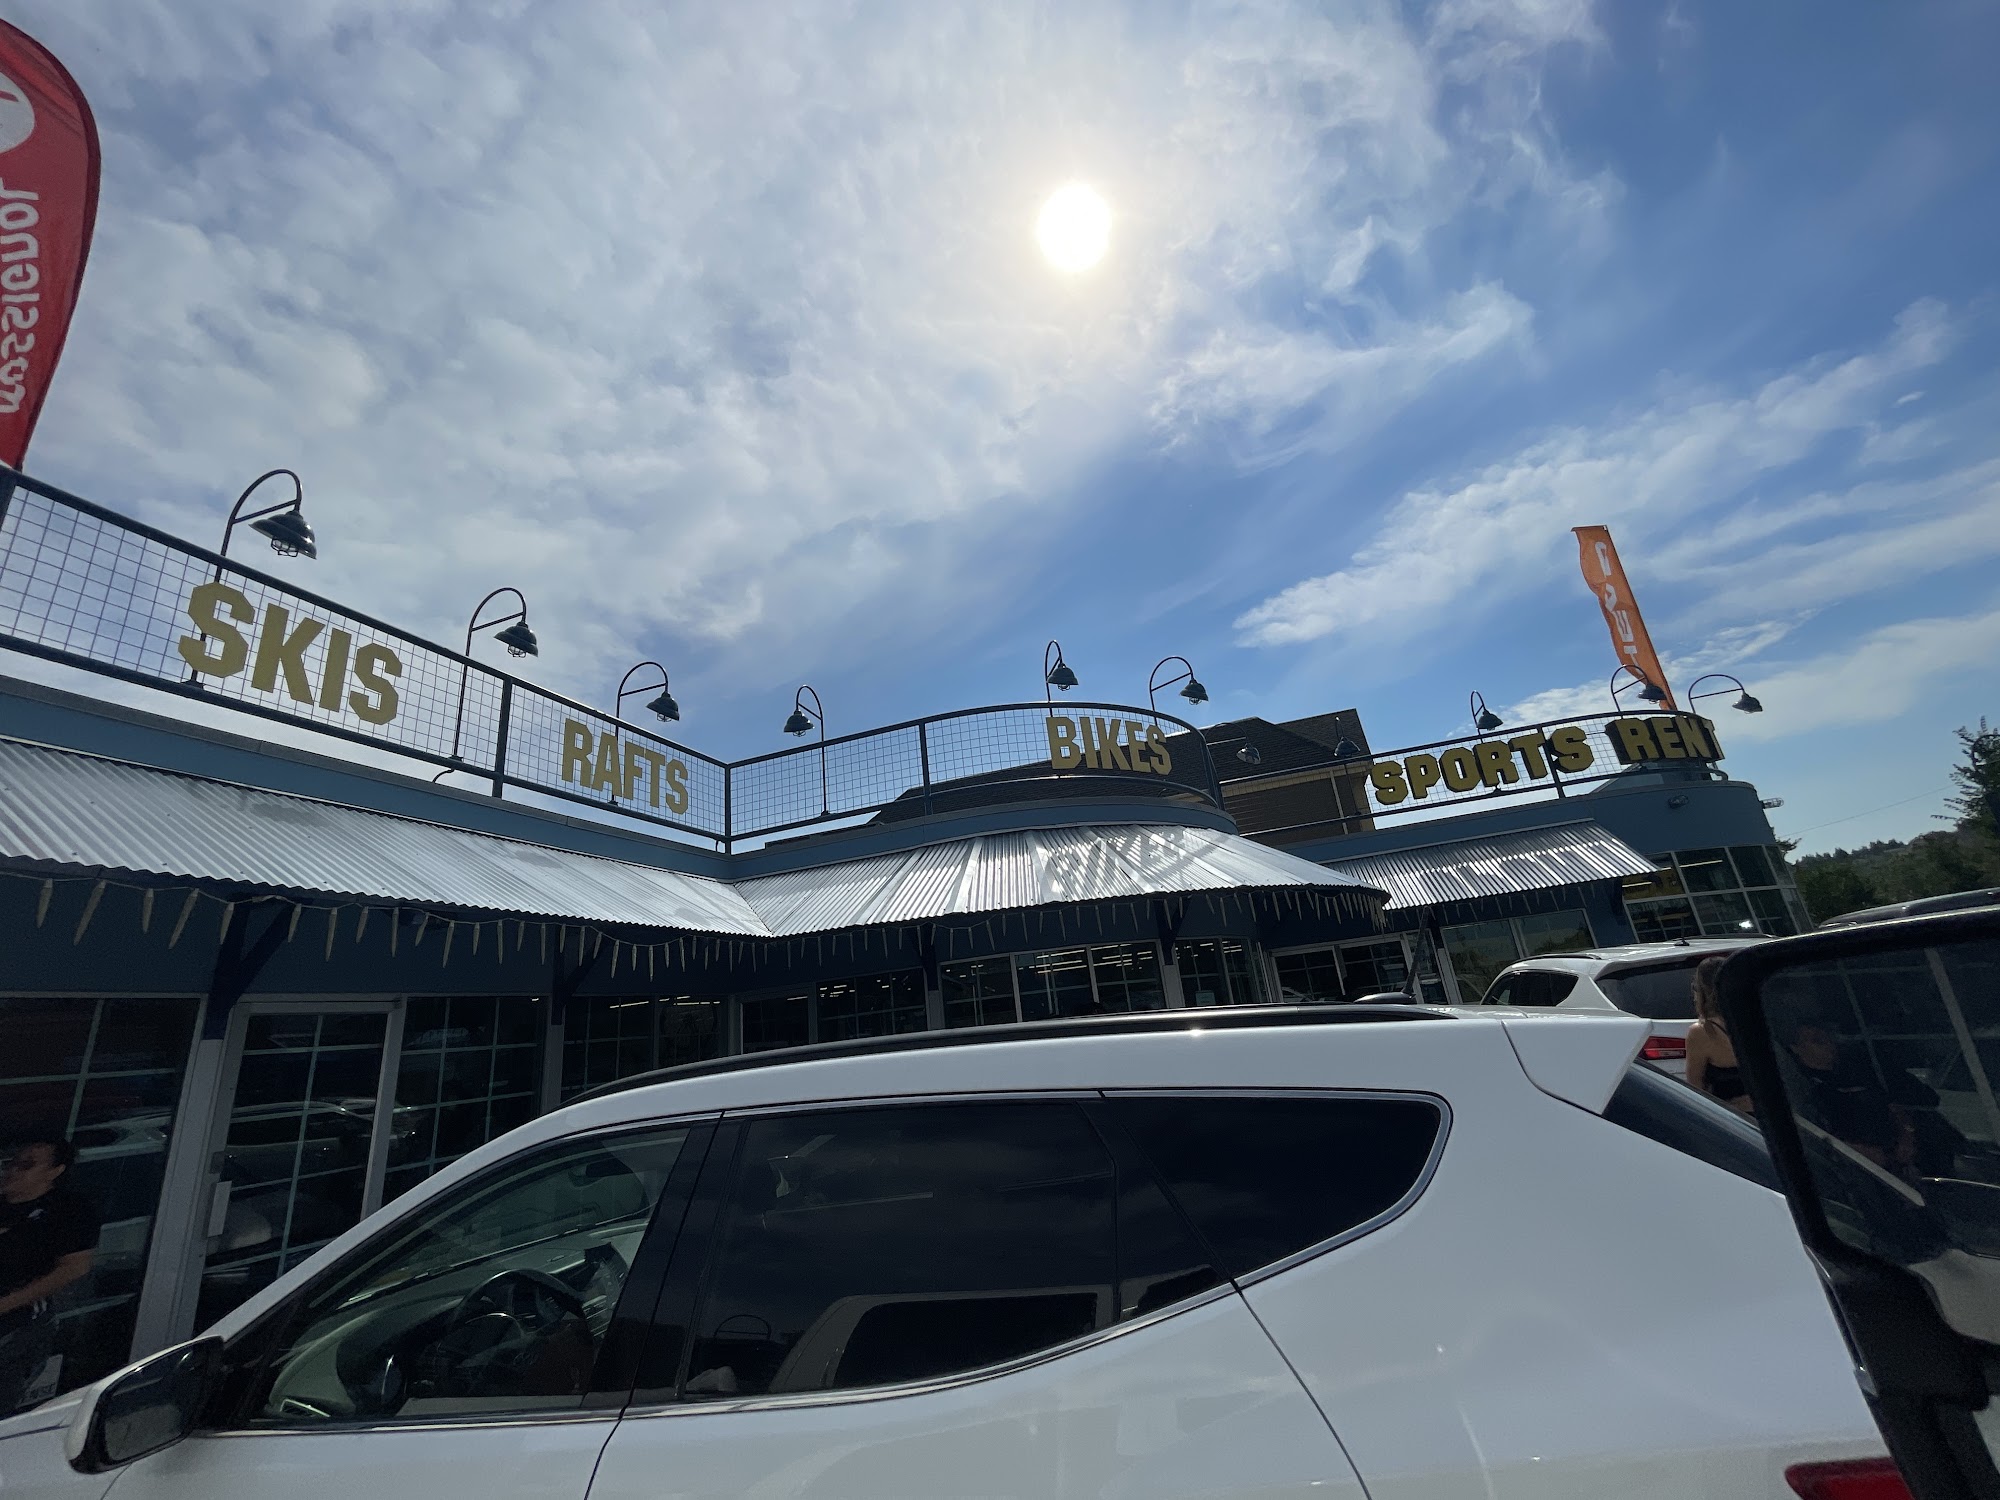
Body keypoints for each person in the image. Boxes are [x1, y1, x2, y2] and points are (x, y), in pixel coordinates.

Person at [0, 1136, 98, 1415]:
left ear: (55, 1171)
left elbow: (75, 1267)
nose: (13, 1171)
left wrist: (8, 1303)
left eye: (26, 1165)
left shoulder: (69, 1211)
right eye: (11, 1163)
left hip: (15, 1327)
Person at [1684, 955, 1753, 1116]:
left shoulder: (1703, 1032)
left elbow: (1696, 1090)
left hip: (1732, 1118)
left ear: (1701, 990)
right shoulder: (1757, 1019)